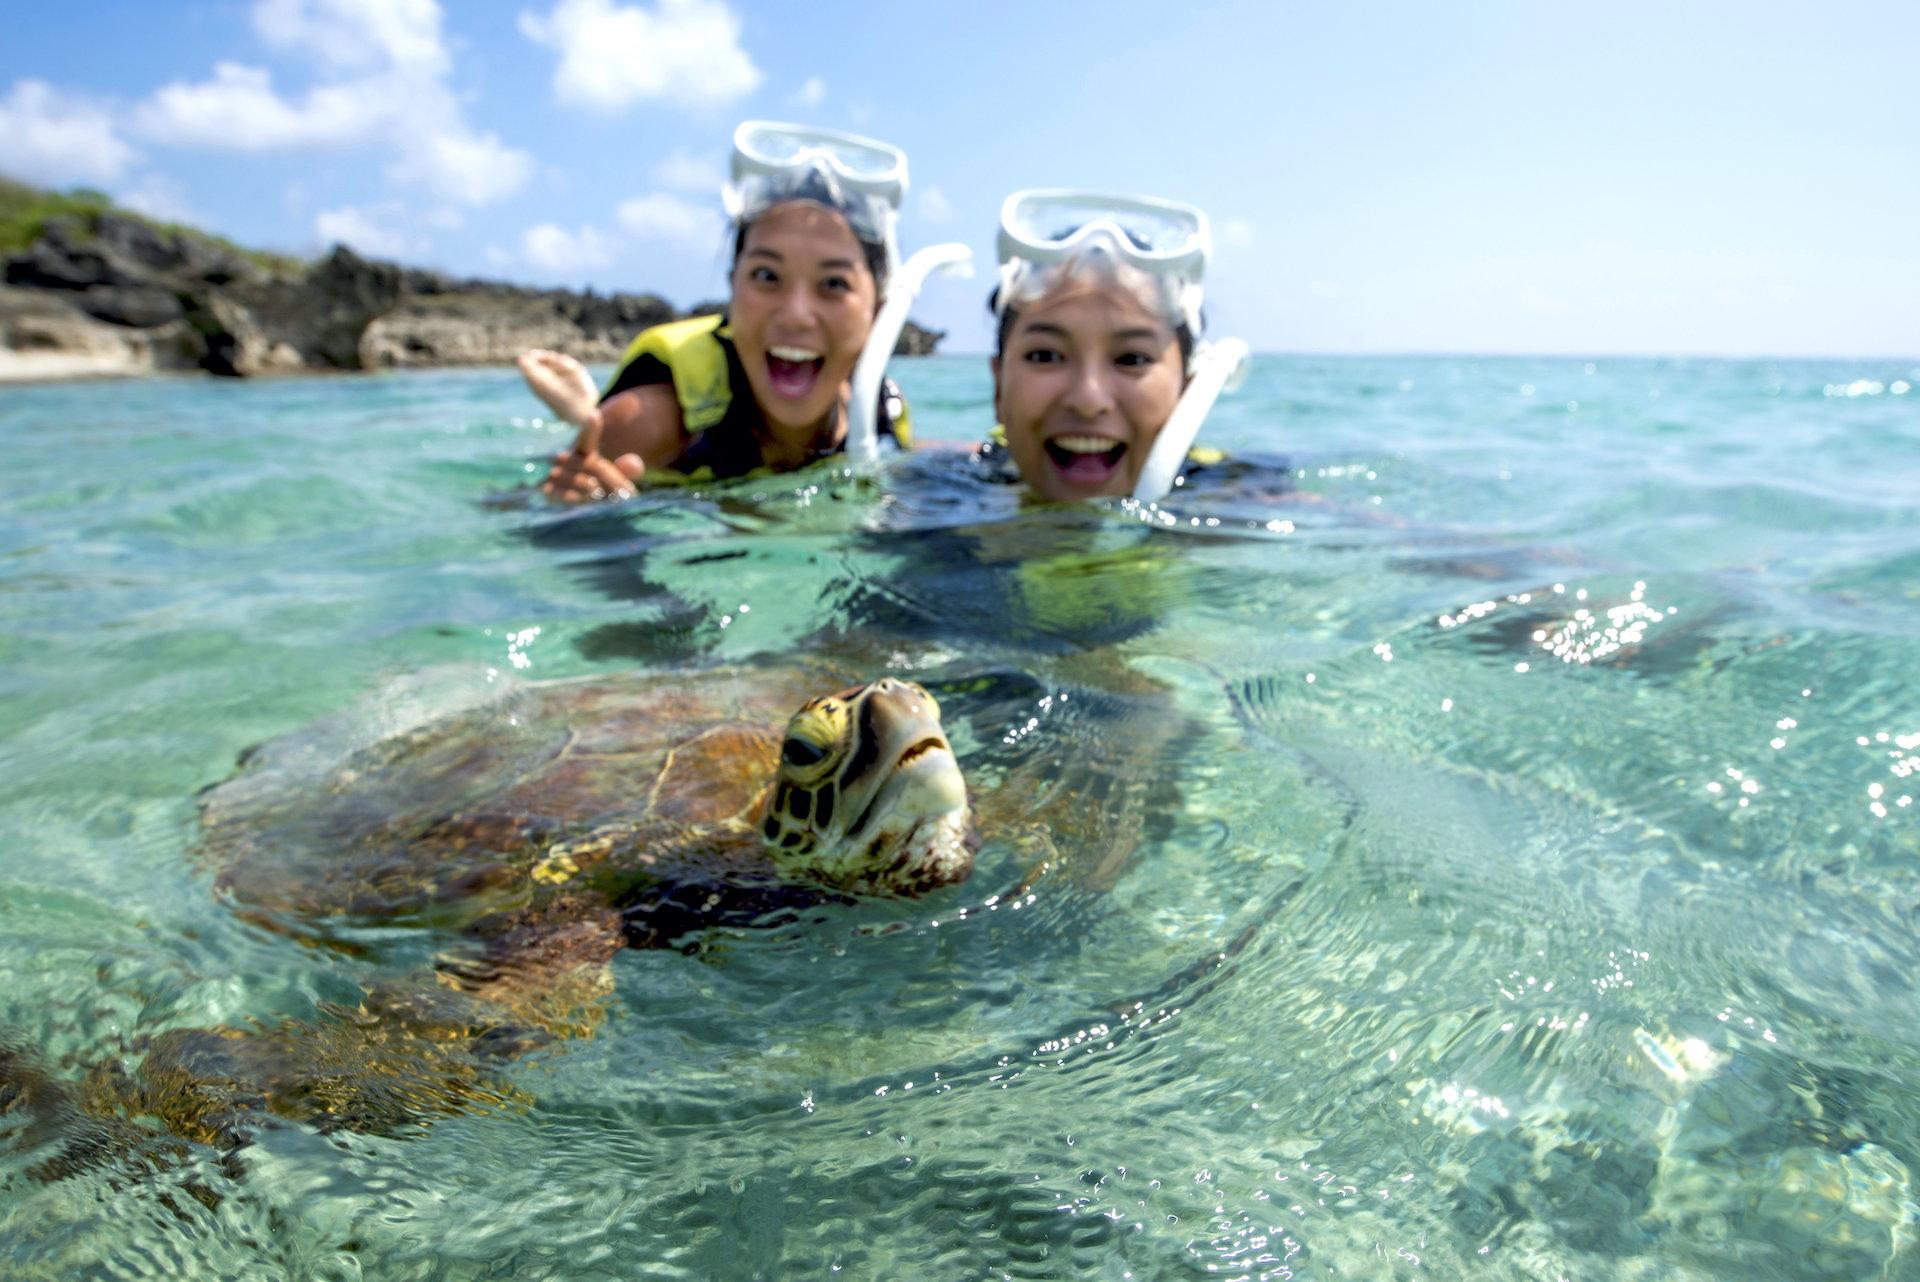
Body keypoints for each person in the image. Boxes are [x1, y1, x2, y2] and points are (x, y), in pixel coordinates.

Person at [523, 122, 916, 501]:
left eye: (833, 284)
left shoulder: (879, 414)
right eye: (766, 275)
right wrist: (583, 518)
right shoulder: (644, 428)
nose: (796, 315)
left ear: (878, 312)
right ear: (733, 286)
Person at [977, 190, 1242, 502]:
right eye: (1045, 356)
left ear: (1185, 393)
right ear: (999, 388)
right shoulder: (961, 479)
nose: (1089, 401)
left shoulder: (1238, 496)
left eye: (1131, 358)